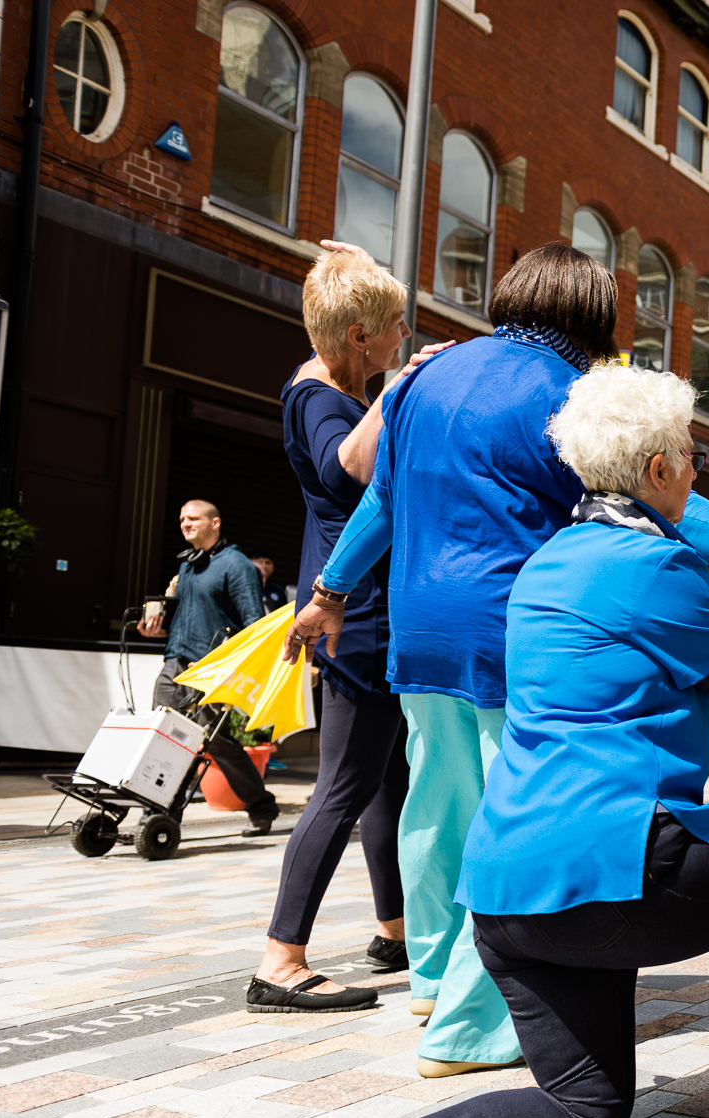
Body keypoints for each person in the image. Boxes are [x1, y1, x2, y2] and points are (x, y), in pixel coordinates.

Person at [259, 366, 709, 1118]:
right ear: (658, 468)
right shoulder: (660, 565)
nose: (695, 471)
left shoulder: (542, 564)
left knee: (587, 1107)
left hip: (505, 896)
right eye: (690, 456)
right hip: (616, 864)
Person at [286, 244, 709, 1077]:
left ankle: (430, 979)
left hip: (419, 629)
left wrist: (331, 589)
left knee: (437, 810)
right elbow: (676, 506)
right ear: (590, 319)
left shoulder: (426, 377)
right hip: (514, 634)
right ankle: (468, 1026)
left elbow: (383, 501)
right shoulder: (568, 394)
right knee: (506, 820)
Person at [251, 247, 448, 1014]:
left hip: (359, 606)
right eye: (397, 328)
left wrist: (353, 268)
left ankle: (394, 929)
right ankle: (281, 958)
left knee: (382, 783)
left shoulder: (331, 373)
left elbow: (336, 315)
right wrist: (404, 388)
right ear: (362, 337)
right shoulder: (322, 401)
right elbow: (351, 467)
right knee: (343, 785)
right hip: (357, 614)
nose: (407, 335)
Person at [138, 499, 279, 834]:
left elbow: (253, 623)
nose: (186, 523)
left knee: (217, 743)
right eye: (182, 518)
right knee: (163, 737)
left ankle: (261, 807)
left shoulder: (236, 564)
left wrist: (236, 669)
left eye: (194, 518)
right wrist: (158, 627)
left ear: (215, 523)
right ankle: (158, 816)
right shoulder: (188, 565)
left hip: (210, 667)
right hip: (174, 662)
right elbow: (188, 615)